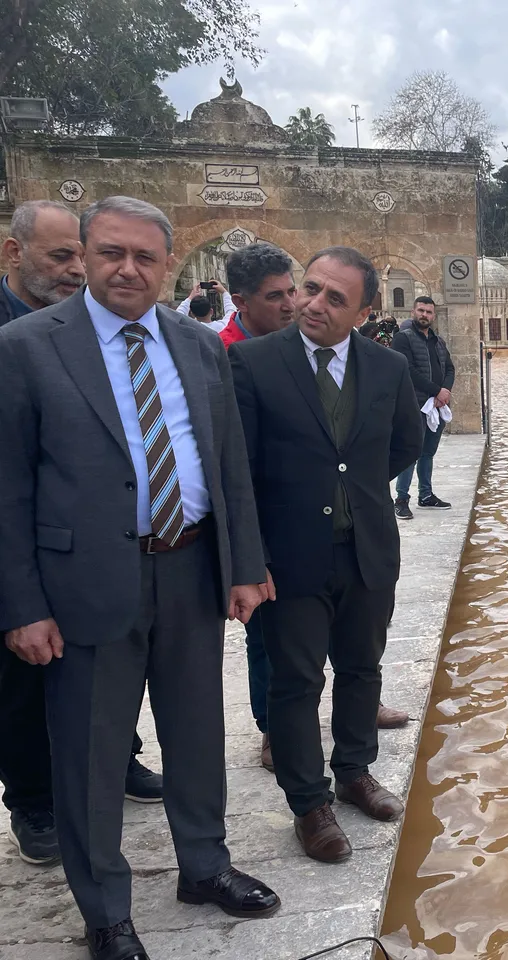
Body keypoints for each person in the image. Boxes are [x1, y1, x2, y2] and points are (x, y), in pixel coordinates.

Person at [0, 196, 279, 960]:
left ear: (167, 265)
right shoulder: (26, 347)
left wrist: (246, 566)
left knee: (196, 734)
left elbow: (229, 468)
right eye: (112, 253)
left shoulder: (196, 346)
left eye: (145, 257)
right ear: (85, 256)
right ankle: (106, 911)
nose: (128, 268)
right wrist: (20, 605)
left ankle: (204, 866)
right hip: (83, 583)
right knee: (90, 756)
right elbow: (7, 487)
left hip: (189, 569)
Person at [229, 246, 422, 864]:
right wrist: (251, 558)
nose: (312, 303)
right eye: (309, 288)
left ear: (364, 311)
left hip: (366, 551)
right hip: (290, 559)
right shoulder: (254, 363)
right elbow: (241, 473)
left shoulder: (387, 369)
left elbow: (403, 445)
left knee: (363, 669)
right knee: (296, 682)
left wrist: (355, 491)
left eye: (334, 297)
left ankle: (355, 772)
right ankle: (309, 803)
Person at [0, 201, 164, 870]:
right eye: (59, 256)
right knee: (21, 680)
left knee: (105, 656)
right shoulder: (16, 339)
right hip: (26, 541)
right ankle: (33, 800)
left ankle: (117, 757)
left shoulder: (96, 328)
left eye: (79, 253)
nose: (74, 269)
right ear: (15, 256)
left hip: (94, 541)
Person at [217, 242, 299, 772]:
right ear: (240, 300)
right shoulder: (221, 355)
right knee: (265, 633)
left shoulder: (304, 345)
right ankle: (272, 727)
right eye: (276, 297)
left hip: (304, 514)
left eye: (294, 290)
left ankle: (350, 702)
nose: (291, 304)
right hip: (258, 521)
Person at [390, 296, 454, 519]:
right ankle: (401, 499)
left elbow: (450, 369)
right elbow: (408, 370)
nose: (424, 315)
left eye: (428, 312)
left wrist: (444, 392)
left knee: (428, 453)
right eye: (421, 311)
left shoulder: (438, 342)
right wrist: (436, 391)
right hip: (415, 405)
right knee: (410, 453)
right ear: (413, 312)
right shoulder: (403, 339)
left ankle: (425, 495)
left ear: (433, 316)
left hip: (437, 406)